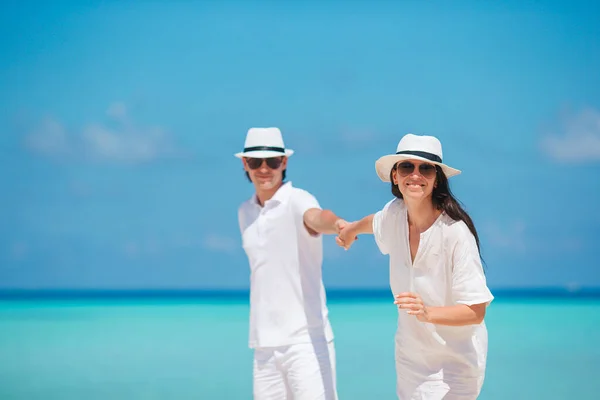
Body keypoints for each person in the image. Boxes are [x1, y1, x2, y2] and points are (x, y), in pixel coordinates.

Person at [337, 133, 494, 399]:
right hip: (411, 361)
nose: (416, 174)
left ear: (436, 179)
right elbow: (375, 222)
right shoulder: (394, 214)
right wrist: (351, 229)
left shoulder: (456, 234)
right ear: (395, 176)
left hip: (455, 366)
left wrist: (427, 313)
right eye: (407, 166)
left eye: (426, 168)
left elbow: (476, 311)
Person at [236, 127, 346, 400]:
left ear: (284, 162)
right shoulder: (245, 212)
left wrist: (337, 225)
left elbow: (317, 217)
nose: (264, 169)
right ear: (245, 164)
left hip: (305, 342)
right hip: (263, 346)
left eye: (272, 161)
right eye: (255, 162)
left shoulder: (298, 199)